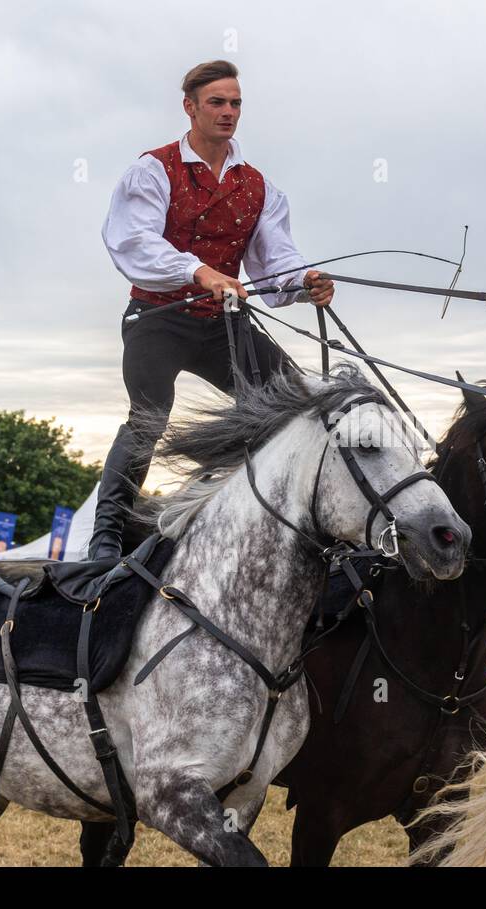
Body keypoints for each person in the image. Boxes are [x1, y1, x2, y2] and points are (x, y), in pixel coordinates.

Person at [88, 59, 335, 561]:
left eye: (236, 103)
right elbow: (131, 240)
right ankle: (106, 537)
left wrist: (304, 281)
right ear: (191, 108)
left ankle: (279, 524)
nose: (228, 112)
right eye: (217, 102)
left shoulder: (258, 186)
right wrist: (198, 270)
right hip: (157, 319)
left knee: (297, 407)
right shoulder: (153, 170)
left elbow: (276, 260)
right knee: (149, 418)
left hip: (223, 324)